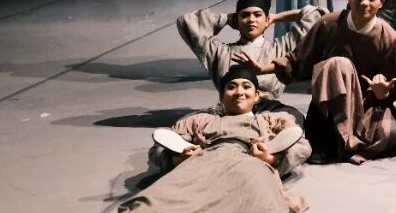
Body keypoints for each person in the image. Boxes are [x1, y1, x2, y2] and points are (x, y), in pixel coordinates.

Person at [265, 0, 396, 165]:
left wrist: (382, 93)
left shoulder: (390, 38)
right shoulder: (328, 23)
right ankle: (326, 136)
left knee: (389, 135)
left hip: (365, 104)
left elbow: (392, 86)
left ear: (381, 2)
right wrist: (261, 69)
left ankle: (344, 140)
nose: (364, 3)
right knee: (338, 64)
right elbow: (298, 60)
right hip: (328, 103)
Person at [122, 65, 310, 212]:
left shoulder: (272, 119)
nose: (239, 92)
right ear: (221, 96)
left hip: (250, 164)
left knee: (259, 204)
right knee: (148, 204)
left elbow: (301, 145)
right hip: (202, 164)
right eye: (231, 87)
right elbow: (162, 144)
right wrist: (176, 159)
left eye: (246, 87)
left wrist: (272, 159)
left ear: (256, 96)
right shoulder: (201, 120)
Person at [176, 0, 324, 110]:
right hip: (229, 114)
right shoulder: (220, 52)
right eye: (245, 15)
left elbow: (318, 16)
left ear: (266, 20)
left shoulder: (280, 49)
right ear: (237, 20)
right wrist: (226, 19)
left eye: (257, 15)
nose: (251, 20)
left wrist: (276, 17)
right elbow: (187, 22)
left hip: (269, 112)